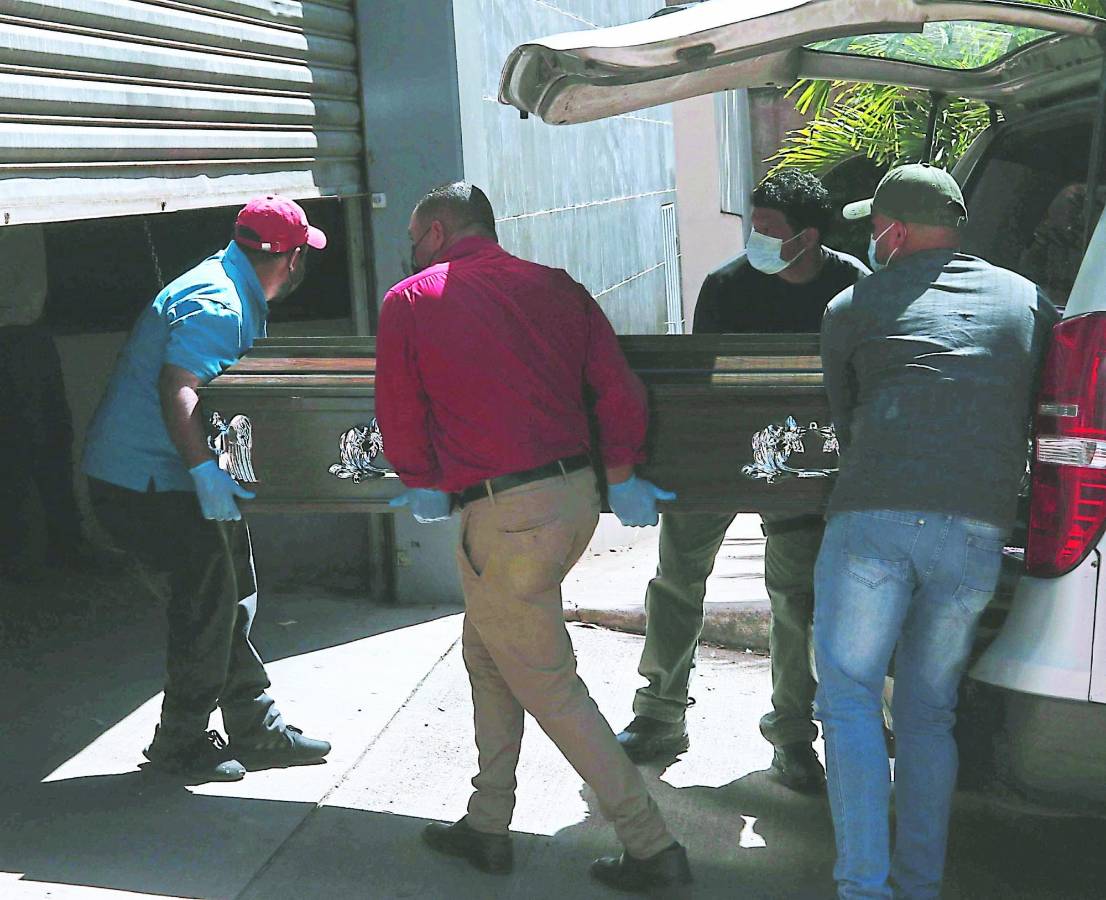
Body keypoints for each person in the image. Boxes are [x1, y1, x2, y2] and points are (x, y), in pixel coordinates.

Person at [377, 182, 692, 893]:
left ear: (435, 232)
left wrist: (420, 476)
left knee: (548, 684)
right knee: (488, 654)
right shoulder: (557, 287)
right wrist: (621, 472)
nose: (411, 249)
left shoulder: (411, 300)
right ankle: (487, 824)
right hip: (574, 498)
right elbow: (619, 389)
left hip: (503, 514)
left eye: (413, 236)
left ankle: (653, 846)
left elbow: (398, 406)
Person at [816, 164, 1058, 898]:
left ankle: (864, 888)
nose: (872, 239)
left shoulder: (852, 304)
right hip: (976, 529)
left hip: (873, 520)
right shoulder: (1029, 302)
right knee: (929, 712)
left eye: (875, 226)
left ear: (895, 230)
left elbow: (843, 417)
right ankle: (918, 887)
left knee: (850, 700)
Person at [615, 170, 869, 795]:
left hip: (803, 460)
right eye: (753, 226)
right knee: (677, 579)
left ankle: (792, 735)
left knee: (797, 599)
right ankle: (659, 715)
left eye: (769, 230)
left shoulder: (852, 286)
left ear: (808, 238)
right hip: (717, 453)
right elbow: (704, 380)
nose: (756, 240)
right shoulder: (727, 285)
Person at [81, 196, 332, 783]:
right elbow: (180, 387)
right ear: (291, 258)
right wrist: (204, 472)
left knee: (232, 594)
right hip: (146, 485)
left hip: (171, 477)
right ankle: (181, 740)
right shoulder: (218, 301)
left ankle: (256, 725)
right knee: (208, 606)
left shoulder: (231, 284)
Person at [0, 225, 101, 582]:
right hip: (10, 331)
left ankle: (65, 542)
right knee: (20, 446)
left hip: (31, 326)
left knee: (55, 436)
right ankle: (19, 553)